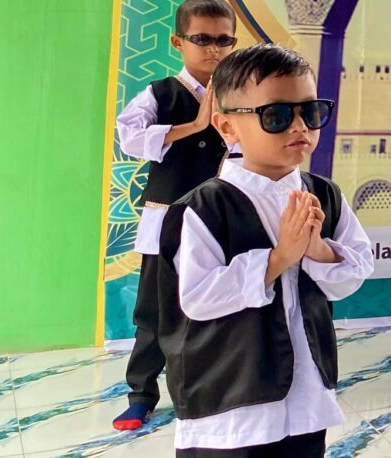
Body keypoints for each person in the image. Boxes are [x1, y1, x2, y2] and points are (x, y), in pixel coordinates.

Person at [158, 43, 374, 457]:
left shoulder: (324, 194)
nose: (300, 127)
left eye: (311, 113)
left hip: (307, 395)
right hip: (231, 403)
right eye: (276, 116)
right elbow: (198, 297)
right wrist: (279, 259)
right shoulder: (203, 208)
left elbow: (355, 270)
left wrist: (317, 249)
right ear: (227, 127)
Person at [111, 0, 238, 431]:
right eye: (202, 39)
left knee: (218, 309)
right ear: (178, 42)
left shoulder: (239, 95)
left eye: (223, 40)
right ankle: (141, 394)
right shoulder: (161, 93)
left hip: (221, 220)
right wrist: (196, 125)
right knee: (155, 312)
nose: (213, 49)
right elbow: (129, 136)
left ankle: (209, 390)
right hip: (166, 222)